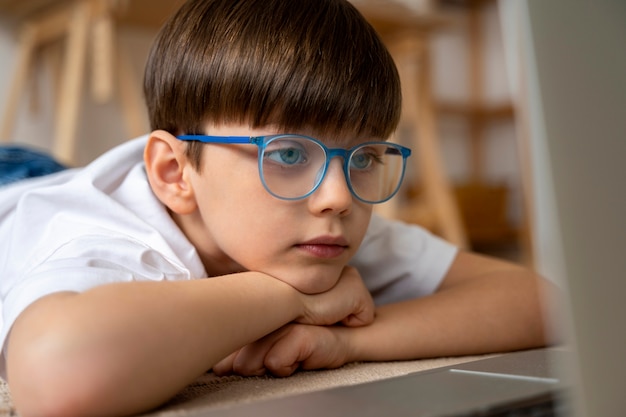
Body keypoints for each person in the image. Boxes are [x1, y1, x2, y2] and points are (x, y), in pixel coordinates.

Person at [0, 0, 557, 416]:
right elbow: (56, 376)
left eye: (363, 157)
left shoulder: (322, 218)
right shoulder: (112, 240)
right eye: (288, 152)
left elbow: (542, 301)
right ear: (175, 174)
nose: (339, 196)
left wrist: (346, 340)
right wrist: (291, 298)